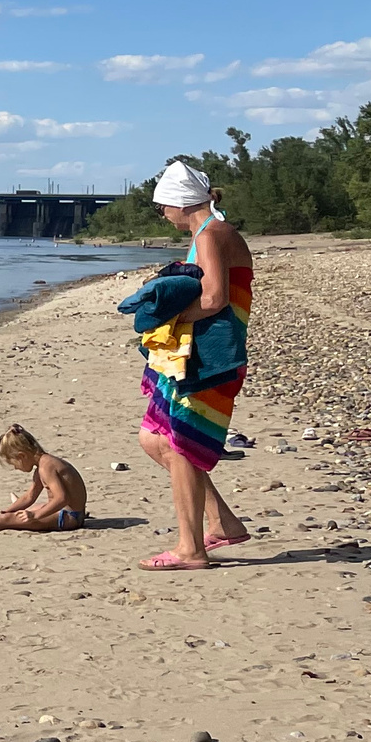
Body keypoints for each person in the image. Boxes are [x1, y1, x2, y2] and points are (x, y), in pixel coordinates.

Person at [134, 160, 251, 569]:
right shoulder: (207, 233)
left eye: (161, 207)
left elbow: (215, 298)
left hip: (209, 358)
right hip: (193, 355)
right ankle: (222, 523)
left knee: (179, 445)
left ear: (177, 204)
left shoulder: (211, 235)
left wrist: (168, 319)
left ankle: (191, 548)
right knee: (154, 439)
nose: (162, 215)